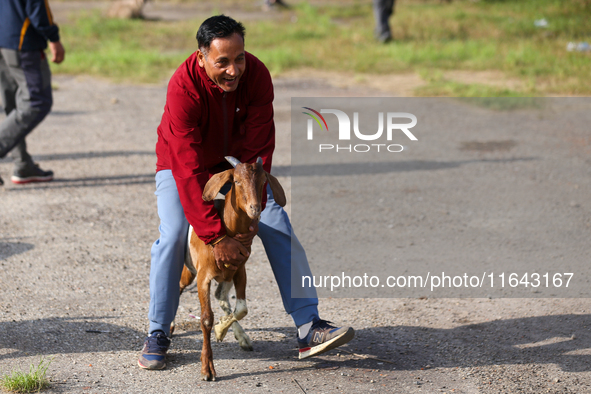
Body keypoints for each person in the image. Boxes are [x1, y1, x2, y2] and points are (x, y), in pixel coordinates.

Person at [138, 15, 354, 370]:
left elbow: (258, 151)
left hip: (239, 169)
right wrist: (213, 234)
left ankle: (308, 325)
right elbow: (189, 167)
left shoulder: (257, 74)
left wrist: (254, 211)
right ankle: (158, 330)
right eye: (222, 61)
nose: (233, 70)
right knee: (173, 234)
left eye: (238, 58)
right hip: (181, 164)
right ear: (201, 57)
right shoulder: (183, 87)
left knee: (276, 223)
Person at [0, 0, 65, 186]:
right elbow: (37, 7)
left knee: (14, 104)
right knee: (36, 102)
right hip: (22, 42)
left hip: (3, 39)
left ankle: (23, 164)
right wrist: (53, 37)